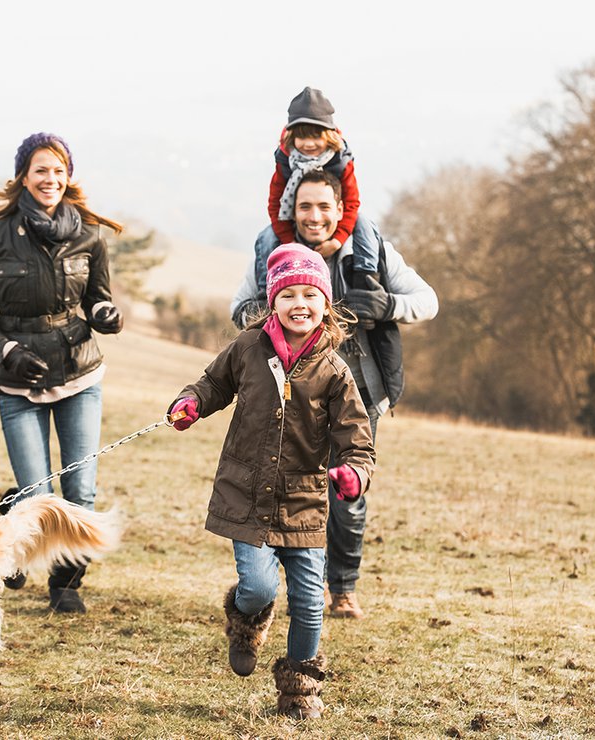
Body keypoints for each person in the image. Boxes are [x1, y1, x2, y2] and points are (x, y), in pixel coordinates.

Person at [168, 245, 375, 719]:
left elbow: (358, 443)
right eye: (289, 294)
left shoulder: (335, 373)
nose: (299, 303)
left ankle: (299, 692)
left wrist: (352, 474)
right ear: (272, 301)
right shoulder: (247, 348)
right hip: (246, 497)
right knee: (259, 588)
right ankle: (245, 623)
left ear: (325, 304)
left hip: (304, 503)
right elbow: (212, 384)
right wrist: (191, 404)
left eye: (310, 294)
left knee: (308, 601)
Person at [232, 169, 439, 620]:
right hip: (291, 393)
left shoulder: (371, 252)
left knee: (348, 492)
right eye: (305, 206)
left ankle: (343, 588)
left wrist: (387, 306)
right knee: (293, 490)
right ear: (292, 210)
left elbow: (428, 301)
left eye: (325, 206)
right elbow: (239, 309)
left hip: (359, 392)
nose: (314, 216)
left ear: (342, 210)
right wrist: (269, 313)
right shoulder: (272, 252)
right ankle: (305, 589)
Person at [0, 132, 124, 615]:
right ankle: (15, 518)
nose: (50, 178)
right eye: (40, 170)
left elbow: (98, 296)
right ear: (24, 177)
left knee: (80, 490)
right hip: (16, 380)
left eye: (58, 170)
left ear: (67, 175)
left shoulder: (90, 233)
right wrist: (7, 349)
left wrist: (104, 313)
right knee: (39, 494)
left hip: (79, 374)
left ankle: (65, 584)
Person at [254, 86, 380, 298]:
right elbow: (275, 204)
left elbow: (351, 203)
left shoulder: (341, 161)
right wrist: (288, 241)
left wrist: (337, 240)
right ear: (291, 137)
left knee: (365, 226)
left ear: (329, 135)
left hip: (336, 222)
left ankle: (366, 280)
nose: (309, 144)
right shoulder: (286, 162)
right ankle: (265, 290)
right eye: (302, 137)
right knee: (266, 236)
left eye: (316, 136)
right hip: (295, 222)